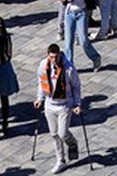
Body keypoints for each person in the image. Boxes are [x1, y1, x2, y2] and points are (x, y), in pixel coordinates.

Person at [36, 42, 82, 173]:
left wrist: (77, 104)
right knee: (54, 134)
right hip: (49, 105)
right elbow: (41, 81)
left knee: (63, 133)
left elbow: (76, 86)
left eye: (56, 57)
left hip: (64, 105)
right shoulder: (43, 65)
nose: (54, 60)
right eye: (51, 57)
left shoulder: (69, 68)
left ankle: (72, 143)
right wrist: (40, 98)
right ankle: (60, 160)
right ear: (47, 55)